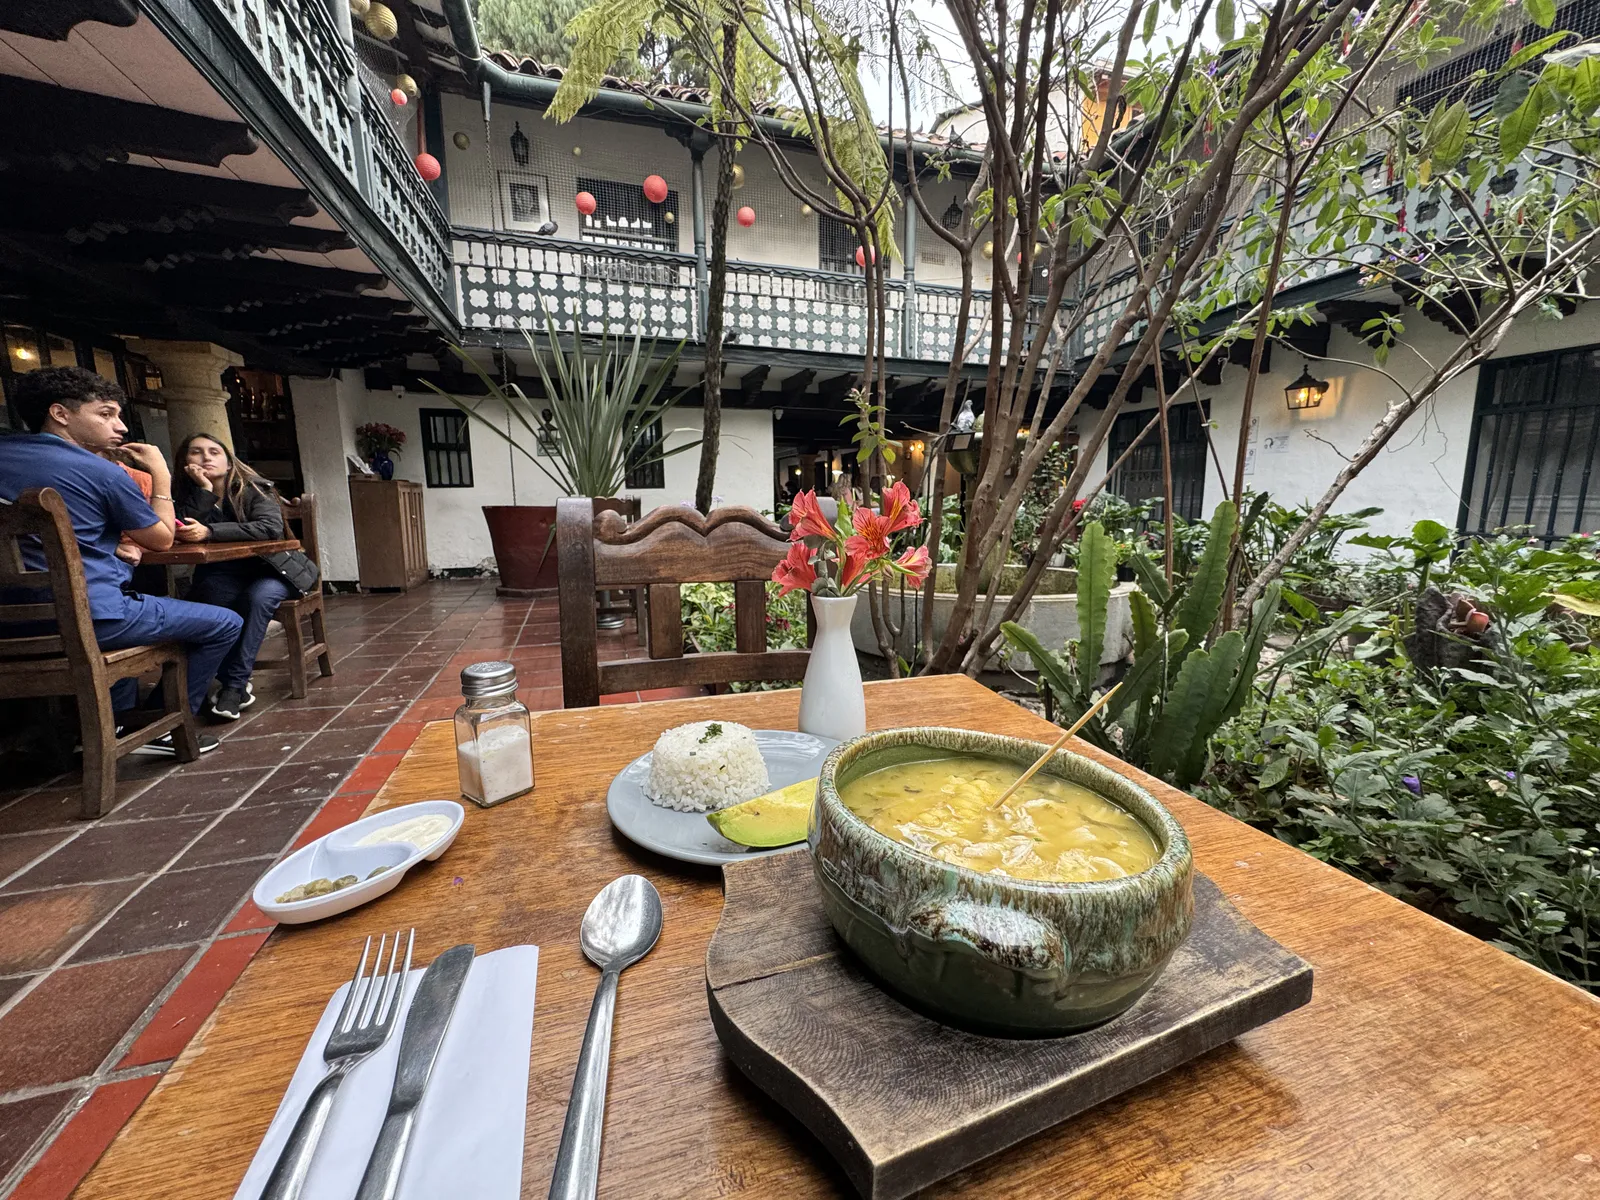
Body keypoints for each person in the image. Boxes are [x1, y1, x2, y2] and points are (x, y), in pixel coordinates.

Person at [0, 367, 240, 754]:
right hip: (89, 617)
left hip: (8, 625)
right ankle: (164, 729)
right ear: (60, 413)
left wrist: (104, 546)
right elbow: (161, 540)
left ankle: (110, 726)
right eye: (106, 414)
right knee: (225, 622)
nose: (121, 427)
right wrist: (161, 474)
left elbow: (36, 531)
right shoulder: (100, 471)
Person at [171, 433, 295, 721]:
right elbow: (179, 530)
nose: (205, 458)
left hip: (271, 569)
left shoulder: (253, 489)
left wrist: (211, 532)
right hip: (223, 572)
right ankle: (197, 688)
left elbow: (269, 528)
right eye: (196, 452)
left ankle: (235, 685)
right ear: (184, 462)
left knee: (257, 598)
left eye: (214, 452)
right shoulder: (185, 495)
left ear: (228, 462)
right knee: (209, 598)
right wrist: (204, 490)